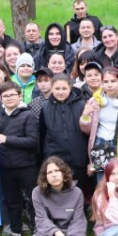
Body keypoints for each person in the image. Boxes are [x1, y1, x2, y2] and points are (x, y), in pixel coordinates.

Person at [0, 81, 40, 236]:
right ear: (1, 98)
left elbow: (33, 141)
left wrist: (7, 139)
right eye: (5, 96)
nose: (9, 98)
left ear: (19, 96)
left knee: (32, 200)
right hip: (5, 166)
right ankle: (16, 231)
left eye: (12, 95)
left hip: (26, 165)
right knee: (12, 200)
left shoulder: (28, 115)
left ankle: (36, 231)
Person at [38, 73, 90, 206]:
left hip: (78, 155)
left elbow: (88, 133)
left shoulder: (82, 104)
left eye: (64, 89)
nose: (60, 92)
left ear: (70, 88)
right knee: (58, 191)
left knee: (78, 192)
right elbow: (42, 133)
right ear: (51, 88)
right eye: (57, 89)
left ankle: (78, 219)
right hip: (55, 155)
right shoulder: (45, 107)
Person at [81, 67, 118, 184]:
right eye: (106, 82)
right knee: (102, 186)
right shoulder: (94, 101)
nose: (109, 85)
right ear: (102, 83)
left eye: (113, 81)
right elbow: (87, 131)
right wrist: (85, 116)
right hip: (100, 146)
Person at [31, 157, 88, 236]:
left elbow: (79, 220)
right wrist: (56, 232)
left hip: (68, 230)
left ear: (64, 173)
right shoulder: (37, 192)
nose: (54, 175)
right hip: (49, 232)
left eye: (57, 171)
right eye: (49, 172)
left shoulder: (77, 193)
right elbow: (41, 219)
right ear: (45, 177)